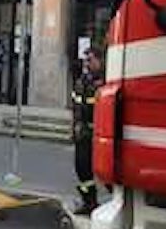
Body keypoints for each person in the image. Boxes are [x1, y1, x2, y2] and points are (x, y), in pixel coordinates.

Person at [71, 46, 104, 216]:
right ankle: (89, 201)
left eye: (90, 60)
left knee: (105, 172)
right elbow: (76, 107)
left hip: (96, 134)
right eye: (85, 60)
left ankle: (114, 204)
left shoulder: (103, 82)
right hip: (82, 133)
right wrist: (74, 128)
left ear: (99, 60)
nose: (87, 63)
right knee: (82, 168)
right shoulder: (81, 81)